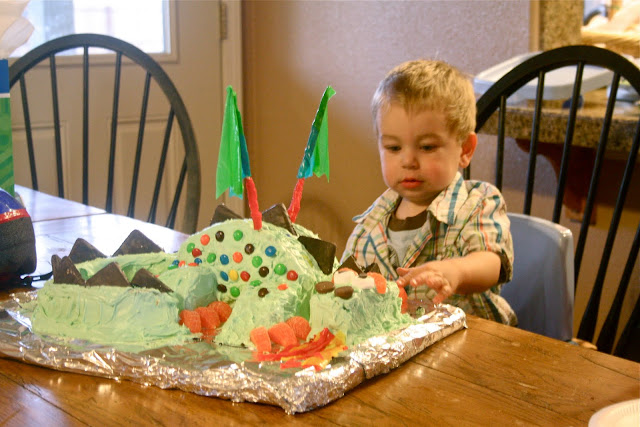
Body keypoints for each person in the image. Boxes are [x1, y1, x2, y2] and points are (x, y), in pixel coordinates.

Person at [341, 59, 516, 325]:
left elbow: (492, 262)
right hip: (397, 342)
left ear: (465, 149)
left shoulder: (478, 202)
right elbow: (347, 281)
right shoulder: (370, 224)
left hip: (474, 339)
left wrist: (456, 271)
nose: (408, 161)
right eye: (393, 148)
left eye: (426, 147)